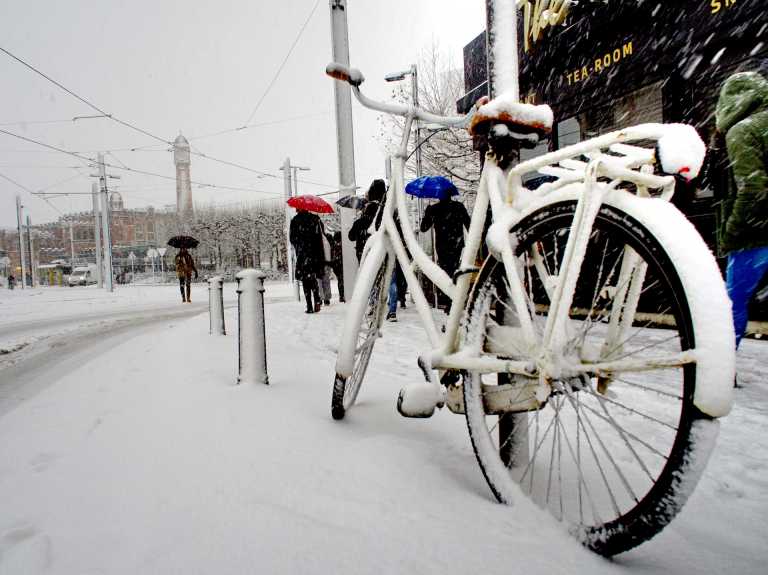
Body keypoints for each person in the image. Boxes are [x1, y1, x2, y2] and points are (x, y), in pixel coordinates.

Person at [714, 70, 768, 349]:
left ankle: (723, 367)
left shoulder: (742, 130)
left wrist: (732, 231)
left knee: (732, 302)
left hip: (755, 237)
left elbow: (752, 187)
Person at [420, 188, 470, 309]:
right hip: (456, 244)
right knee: (454, 270)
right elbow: (469, 224)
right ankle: (454, 300)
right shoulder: (459, 207)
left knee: (445, 272)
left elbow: (423, 228)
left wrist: (427, 214)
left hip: (442, 246)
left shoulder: (434, 209)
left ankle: (449, 300)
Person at [290, 208, 325, 313]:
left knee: (305, 280)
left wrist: (299, 245)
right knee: (313, 277)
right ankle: (317, 299)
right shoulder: (315, 219)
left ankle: (309, 306)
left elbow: (292, 239)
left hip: (302, 255)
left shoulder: (295, 221)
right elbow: (320, 236)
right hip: (314, 254)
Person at [349, 179, 386, 262]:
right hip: (383, 253)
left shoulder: (363, 220)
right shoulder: (386, 212)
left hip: (364, 254)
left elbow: (351, 236)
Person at [328, 230, 345, 303]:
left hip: (336, 265)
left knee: (340, 280)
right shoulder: (342, 247)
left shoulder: (333, 247)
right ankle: (342, 295)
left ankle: (341, 295)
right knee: (341, 280)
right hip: (340, 265)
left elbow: (332, 257)